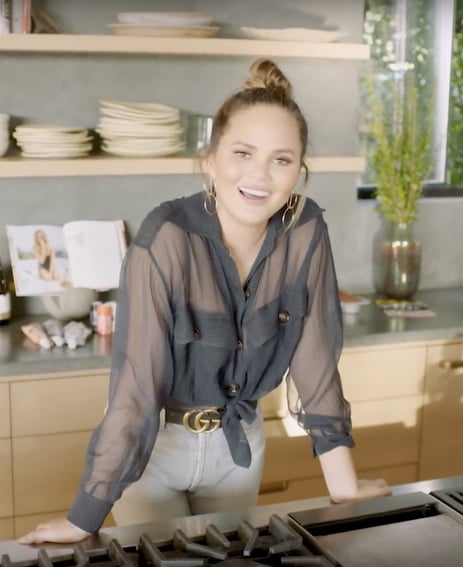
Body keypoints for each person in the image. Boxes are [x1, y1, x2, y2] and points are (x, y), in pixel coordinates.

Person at [19, 58, 391, 545]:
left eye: (281, 159)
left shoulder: (305, 229)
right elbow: (135, 389)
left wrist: (344, 487)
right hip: (153, 453)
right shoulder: (166, 237)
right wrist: (83, 517)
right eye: (242, 152)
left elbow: (316, 359)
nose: (260, 175)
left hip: (241, 449)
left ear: (299, 171)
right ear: (211, 158)